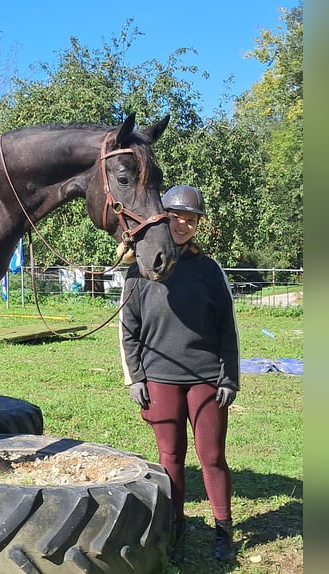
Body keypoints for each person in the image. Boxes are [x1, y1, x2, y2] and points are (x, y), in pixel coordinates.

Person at [118, 184, 239, 563]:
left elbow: (227, 328)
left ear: (197, 225)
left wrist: (229, 376)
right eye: (176, 218)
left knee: (211, 457)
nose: (183, 225)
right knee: (170, 457)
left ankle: (223, 531)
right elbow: (128, 329)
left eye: (191, 220)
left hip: (205, 377)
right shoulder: (139, 271)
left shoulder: (208, 269)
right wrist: (135, 377)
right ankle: (175, 528)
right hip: (159, 378)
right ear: (162, 218)